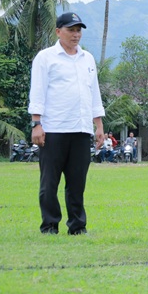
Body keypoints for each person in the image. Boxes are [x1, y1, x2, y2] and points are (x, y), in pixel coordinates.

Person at [28, 12, 105, 235]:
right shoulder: (46, 57)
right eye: (71, 30)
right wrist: (36, 123)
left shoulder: (87, 59)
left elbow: (94, 93)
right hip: (54, 129)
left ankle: (78, 226)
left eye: (78, 30)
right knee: (49, 183)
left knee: (77, 183)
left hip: (81, 129)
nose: (76, 34)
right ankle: (50, 225)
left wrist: (98, 125)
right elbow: (38, 91)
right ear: (58, 31)